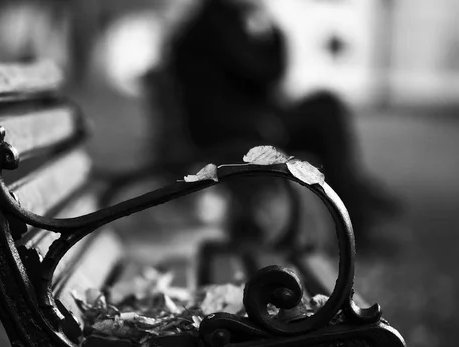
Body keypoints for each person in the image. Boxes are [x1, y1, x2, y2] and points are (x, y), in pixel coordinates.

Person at [146, 0, 401, 250]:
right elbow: (261, 73)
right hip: (232, 136)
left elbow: (264, 78)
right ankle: (356, 200)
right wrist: (271, 32)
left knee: (324, 112)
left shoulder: (217, 22)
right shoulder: (213, 26)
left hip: (242, 127)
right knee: (324, 112)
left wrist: (267, 32)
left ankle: (355, 197)